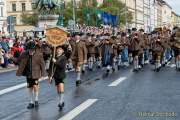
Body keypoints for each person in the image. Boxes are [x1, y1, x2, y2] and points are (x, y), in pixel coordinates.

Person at [13, 41, 46, 109]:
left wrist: (43, 74)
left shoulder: (39, 54)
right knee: (30, 87)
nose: (31, 51)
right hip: (28, 73)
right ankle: (31, 102)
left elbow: (42, 64)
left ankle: (36, 100)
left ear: (34, 49)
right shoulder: (24, 54)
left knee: (35, 86)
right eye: (29, 50)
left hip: (36, 73)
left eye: (32, 50)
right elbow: (18, 61)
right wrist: (11, 57)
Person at [48, 45, 69, 110]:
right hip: (55, 75)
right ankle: (61, 100)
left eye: (60, 49)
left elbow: (61, 66)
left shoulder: (63, 58)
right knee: (58, 89)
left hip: (61, 74)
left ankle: (60, 102)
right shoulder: (53, 57)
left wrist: (55, 62)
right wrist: (50, 76)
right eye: (57, 49)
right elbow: (51, 67)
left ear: (62, 51)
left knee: (61, 87)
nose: (58, 50)